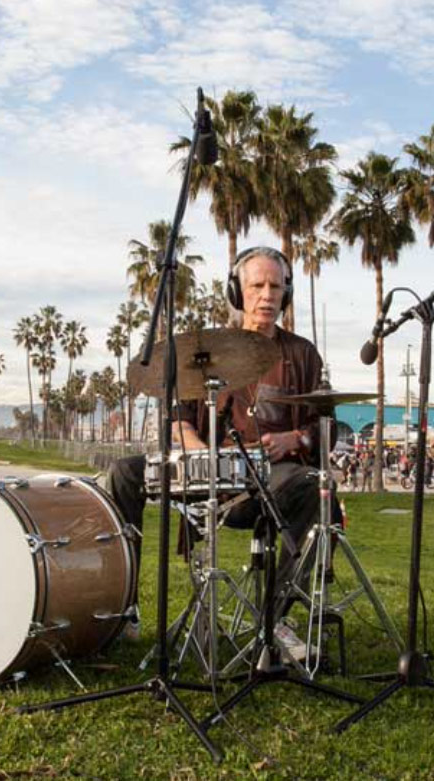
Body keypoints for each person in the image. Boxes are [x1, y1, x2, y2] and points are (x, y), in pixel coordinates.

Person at [109, 246, 329, 646]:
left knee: (311, 486)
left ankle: (274, 619)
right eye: (257, 285)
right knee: (124, 472)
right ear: (236, 292)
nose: (266, 295)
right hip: (208, 473)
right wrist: (195, 447)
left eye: (275, 287)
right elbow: (179, 421)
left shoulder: (302, 354)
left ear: (287, 293)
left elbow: (327, 423)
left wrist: (295, 438)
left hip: (268, 480)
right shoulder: (204, 350)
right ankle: (125, 609)